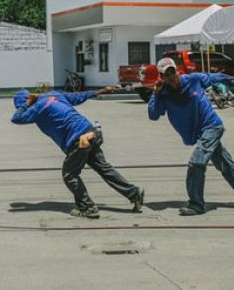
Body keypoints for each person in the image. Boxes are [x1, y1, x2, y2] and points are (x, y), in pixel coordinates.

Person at [148, 57, 234, 216]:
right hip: (199, 133)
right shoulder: (163, 93)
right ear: (161, 78)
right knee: (226, 165)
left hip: (211, 126)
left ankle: (196, 204)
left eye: (172, 72)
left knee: (196, 162)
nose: (171, 77)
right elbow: (153, 115)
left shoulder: (193, 79)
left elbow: (216, 78)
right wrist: (155, 94)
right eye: (166, 75)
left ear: (177, 71)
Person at [11, 87, 144, 219]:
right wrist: (100, 91)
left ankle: (88, 208)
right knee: (103, 168)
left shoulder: (37, 107)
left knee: (69, 175)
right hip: (90, 131)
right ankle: (134, 193)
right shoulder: (54, 95)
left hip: (78, 140)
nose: (22, 109)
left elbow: (17, 118)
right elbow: (78, 96)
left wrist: (27, 104)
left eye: (21, 106)